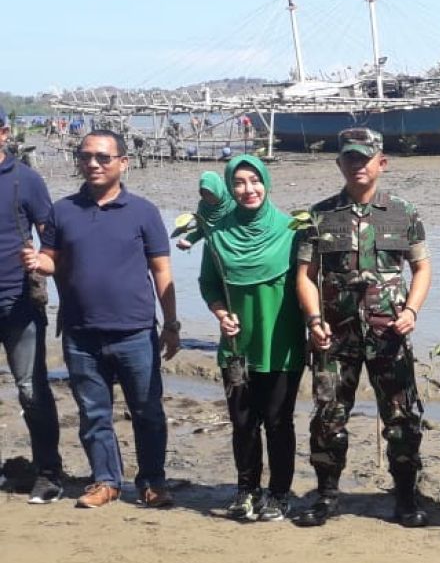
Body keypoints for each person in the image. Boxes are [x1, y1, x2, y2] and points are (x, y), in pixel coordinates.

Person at [23, 129, 180, 509]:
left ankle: (152, 481)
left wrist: (172, 323)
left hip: (135, 331)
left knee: (147, 411)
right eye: (85, 156)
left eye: (102, 157)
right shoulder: (62, 210)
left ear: (123, 163)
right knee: (94, 413)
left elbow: (161, 269)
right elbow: (52, 258)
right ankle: (106, 481)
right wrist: (37, 263)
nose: (92, 163)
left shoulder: (143, 211)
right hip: (80, 331)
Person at [295, 128, 431, 528]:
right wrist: (314, 320)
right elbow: (305, 275)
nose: (358, 165)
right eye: (350, 159)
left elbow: (421, 267)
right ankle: (326, 496)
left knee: (402, 419)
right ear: (339, 164)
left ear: (381, 163)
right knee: (328, 418)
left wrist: (412, 310)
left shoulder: (403, 212)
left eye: (365, 158)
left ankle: (406, 497)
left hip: (390, 335)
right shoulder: (317, 216)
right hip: (335, 337)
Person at [199, 155, 306, 522]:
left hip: (282, 344)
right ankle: (246, 490)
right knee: (243, 423)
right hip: (236, 348)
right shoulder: (216, 232)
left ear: (266, 182)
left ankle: (279, 494)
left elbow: (309, 282)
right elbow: (209, 283)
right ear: (230, 188)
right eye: (239, 183)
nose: (248, 189)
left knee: (278, 422)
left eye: (254, 180)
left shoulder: (292, 229)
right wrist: (220, 313)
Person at [0, 111, 64, 503]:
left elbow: (52, 233)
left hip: (18, 301)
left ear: (4, 133)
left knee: (31, 389)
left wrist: (44, 260)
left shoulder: (26, 180)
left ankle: (48, 472)